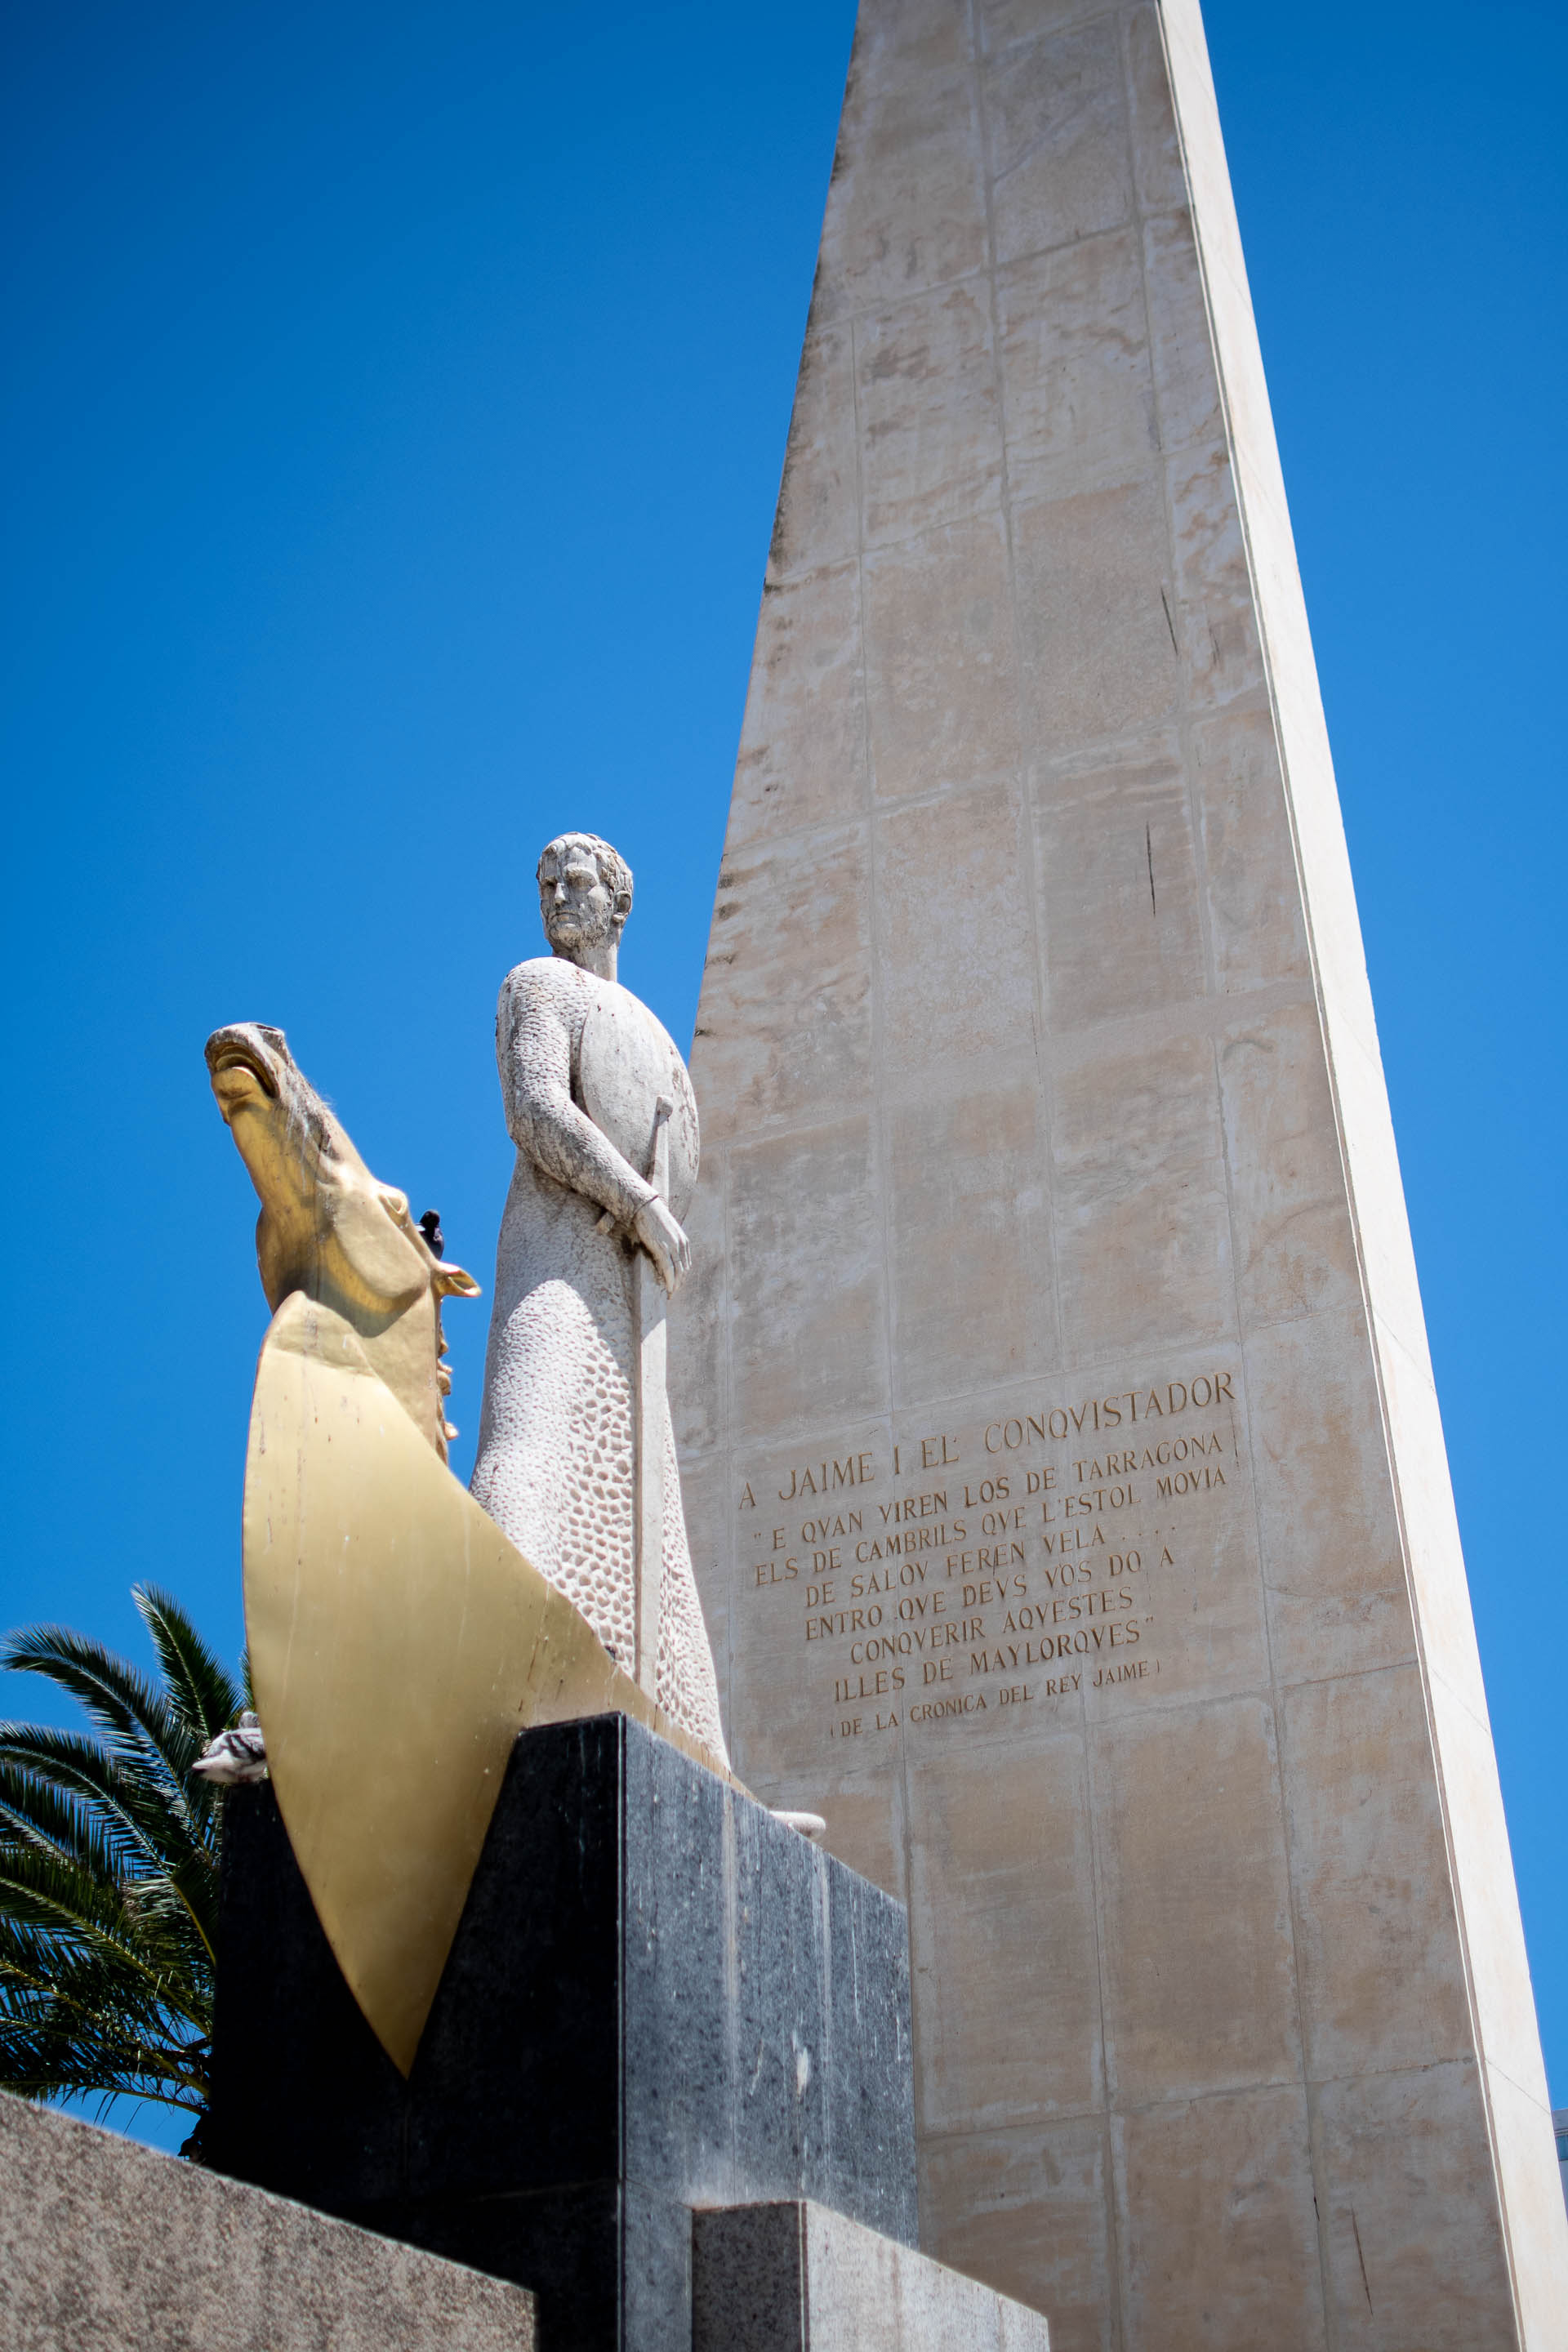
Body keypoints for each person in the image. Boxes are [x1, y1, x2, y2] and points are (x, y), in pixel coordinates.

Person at [470, 832, 728, 1762]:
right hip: (559, 1254)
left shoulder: (656, 1040)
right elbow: (536, 1111)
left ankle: (700, 1754)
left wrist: (652, 1218)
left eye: (572, 881)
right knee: (527, 1439)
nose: (553, 896)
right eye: (542, 883)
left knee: (651, 1520)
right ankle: (480, 1656)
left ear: (619, 900)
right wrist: (641, 1203)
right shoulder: (536, 988)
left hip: (630, 1288)